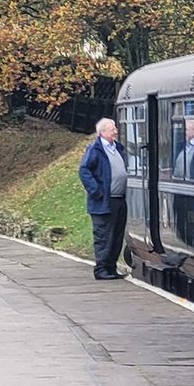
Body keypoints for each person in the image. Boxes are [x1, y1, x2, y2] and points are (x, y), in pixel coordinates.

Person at [79, 118, 128, 281]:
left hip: (119, 199)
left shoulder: (118, 148)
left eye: (115, 129)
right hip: (103, 202)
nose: (116, 131)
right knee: (104, 236)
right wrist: (96, 191)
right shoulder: (95, 149)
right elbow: (84, 170)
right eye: (112, 129)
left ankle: (111, 268)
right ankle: (101, 269)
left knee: (116, 235)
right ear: (103, 132)